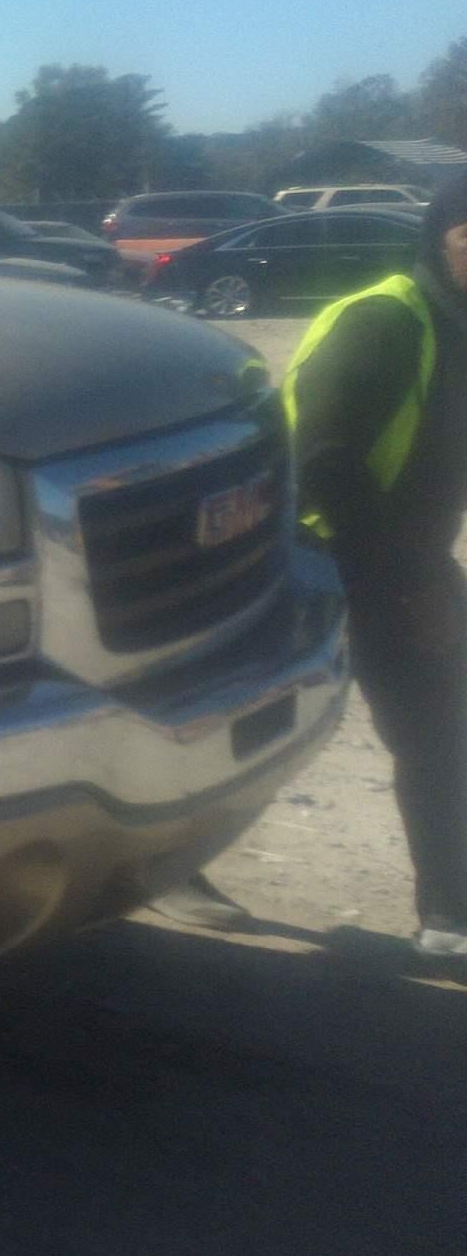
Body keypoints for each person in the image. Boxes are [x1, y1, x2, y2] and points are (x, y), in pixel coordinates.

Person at [158, 176, 467, 955]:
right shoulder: (383, 322)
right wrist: (410, 583)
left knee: (436, 734)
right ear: (442, 238)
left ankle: (449, 918)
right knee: (248, 725)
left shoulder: (457, 322)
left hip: (399, 557)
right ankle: (164, 867)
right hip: (306, 556)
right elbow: (324, 463)